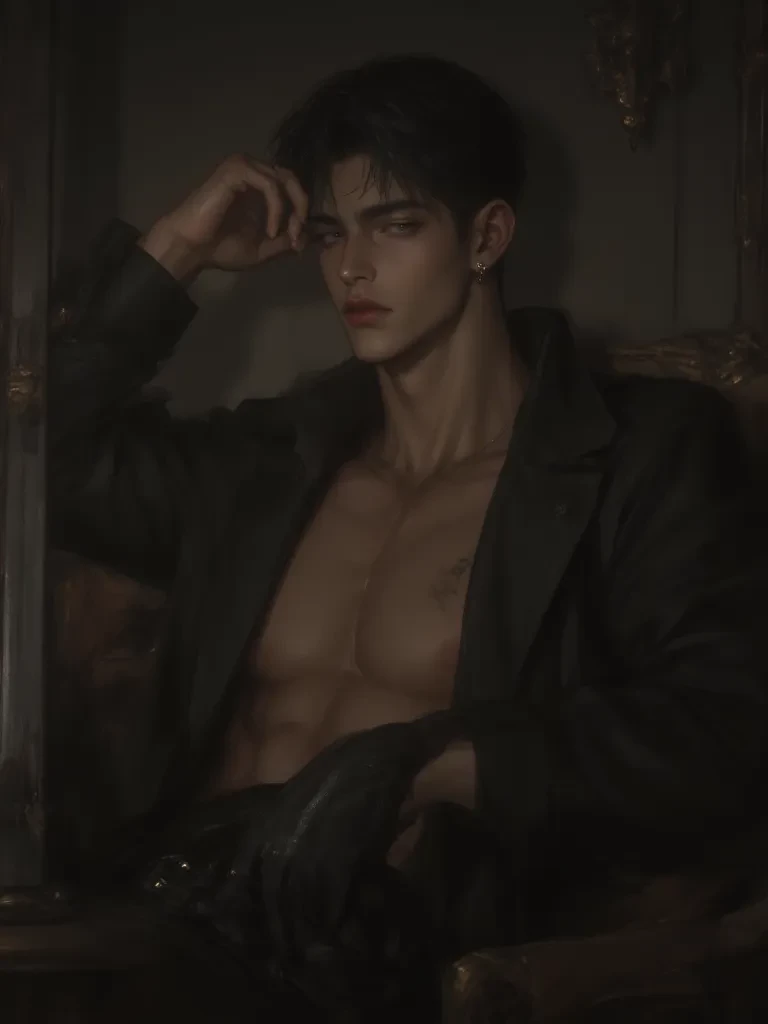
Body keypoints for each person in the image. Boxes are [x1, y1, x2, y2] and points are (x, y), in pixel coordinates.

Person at [49, 53, 768, 1020]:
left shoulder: (640, 454)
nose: (351, 268)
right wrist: (173, 251)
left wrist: (430, 763)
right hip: (168, 914)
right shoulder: (269, 462)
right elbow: (43, 467)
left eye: (395, 225)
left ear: (487, 236)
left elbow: (725, 726)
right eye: (330, 233)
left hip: (388, 957)